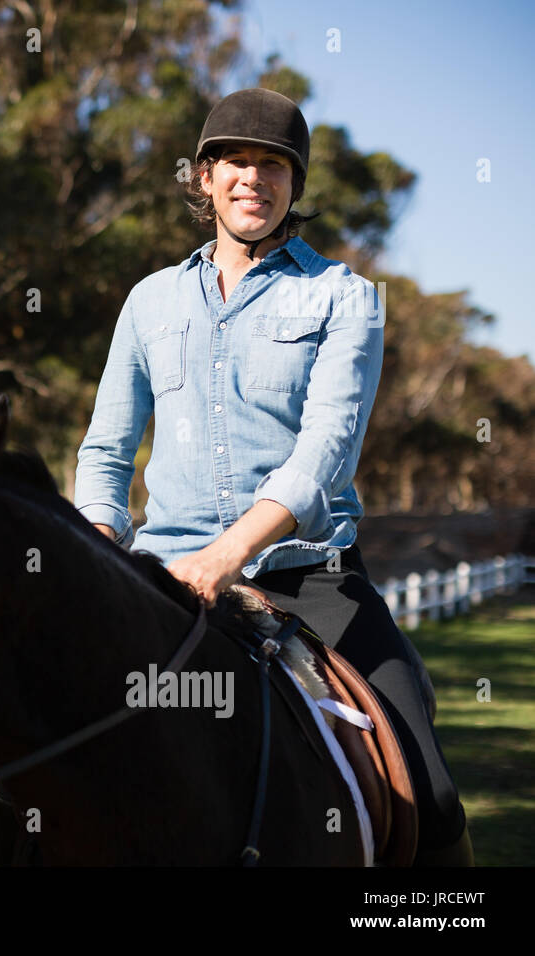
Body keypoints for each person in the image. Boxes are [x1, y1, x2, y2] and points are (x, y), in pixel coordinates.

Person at [74, 88, 472, 865]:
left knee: (429, 789)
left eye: (273, 165)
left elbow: (325, 450)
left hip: (307, 580)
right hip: (159, 575)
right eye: (234, 162)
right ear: (202, 177)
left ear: (295, 184)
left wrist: (224, 559)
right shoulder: (148, 302)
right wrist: (96, 548)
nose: (252, 178)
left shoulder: (344, 298)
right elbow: (105, 451)